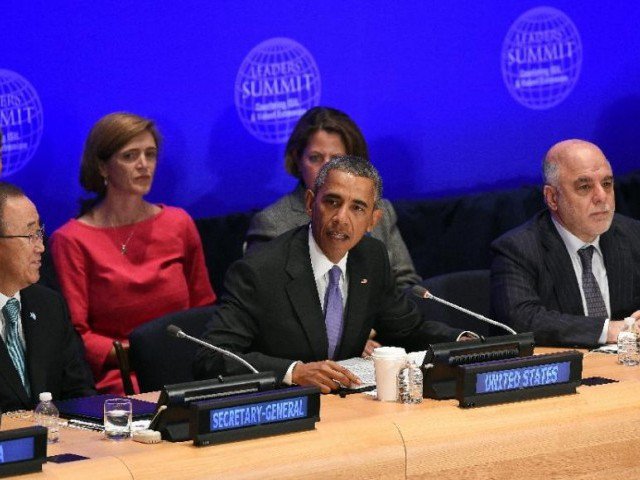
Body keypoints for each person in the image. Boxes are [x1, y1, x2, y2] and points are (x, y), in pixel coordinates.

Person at [195, 156, 468, 393]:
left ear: (373, 220)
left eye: (357, 208)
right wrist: (293, 372)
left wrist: (461, 343)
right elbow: (212, 355)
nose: (341, 217)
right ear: (310, 203)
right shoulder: (260, 271)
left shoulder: (371, 258)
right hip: (284, 408)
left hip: (346, 407)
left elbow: (407, 329)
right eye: (332, 202)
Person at [50, 112, 216, 394]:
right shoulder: (71, 240)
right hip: (119, 382)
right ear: (102, 166)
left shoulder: (178, 223)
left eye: (150, 154)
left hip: (187, 372)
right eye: (130, 156)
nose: (144, 165)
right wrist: (143, 354)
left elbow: (205, 308)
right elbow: (77, 335)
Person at [245, 107, 420, 291]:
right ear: (298, 159)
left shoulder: (380, 213)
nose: (327, 169)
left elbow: (407, 284)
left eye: (337, 160)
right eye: (315, 158)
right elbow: (261, 301)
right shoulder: (272, 224)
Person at [491, 139, 640, 347]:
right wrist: (609, 330)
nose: (601, 197)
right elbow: (520, 319)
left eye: (607, 184)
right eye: (585, 186)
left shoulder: (634, 235)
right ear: (552, 198)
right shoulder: (517, 249)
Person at [0, 182, 95, 412]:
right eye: (30, 235)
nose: (41, 247)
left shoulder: (49, 306)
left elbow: (80, 392)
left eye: (39, 233)